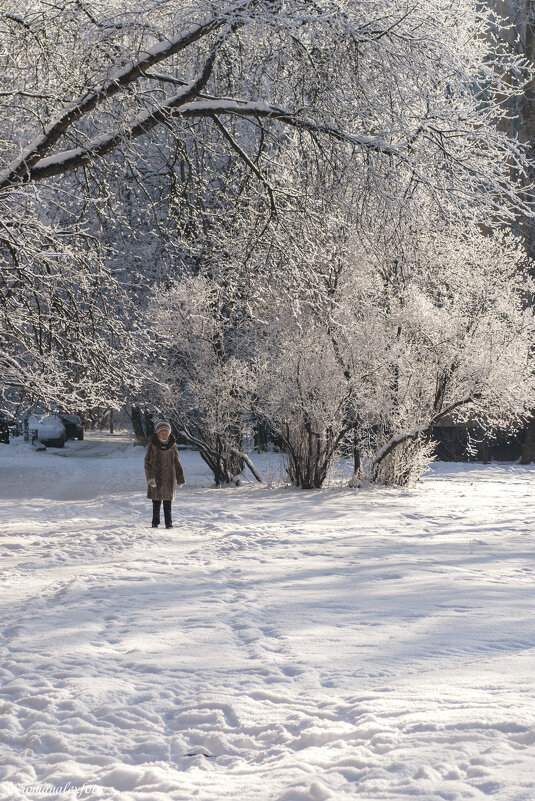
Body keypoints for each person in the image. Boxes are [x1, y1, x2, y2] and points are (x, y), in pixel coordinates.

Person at [144, 420, 185, 528]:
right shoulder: (152, 445)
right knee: (156, 502)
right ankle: (155, 522)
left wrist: (180, 478)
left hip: (169, 479)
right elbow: (147, 463)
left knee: (168, 503)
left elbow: (177, 462)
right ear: (157, 433)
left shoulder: (173, 446)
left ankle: (169, 523)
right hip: (156, 478)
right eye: (162, 432)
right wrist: (150, 477)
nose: (164, 434)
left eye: (166, 432)